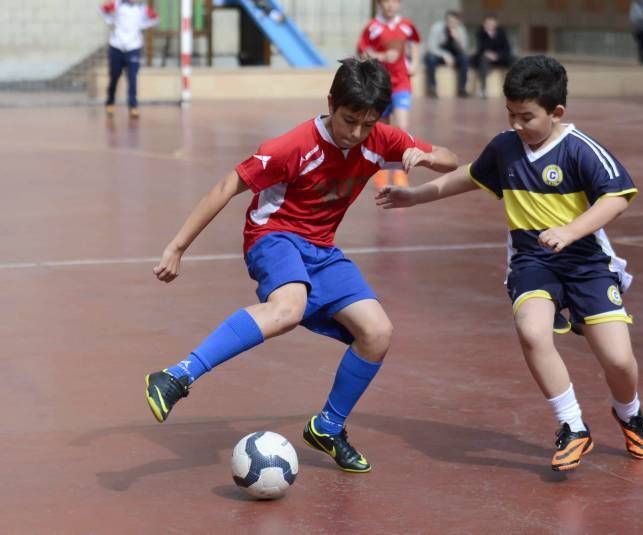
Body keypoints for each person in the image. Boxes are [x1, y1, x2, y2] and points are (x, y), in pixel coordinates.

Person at [145, 58, 458, 473]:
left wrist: (426, 156)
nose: (357, 133)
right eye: (349, 121)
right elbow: (226, 186)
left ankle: (328, 426)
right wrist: (177, 247)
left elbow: (451, 159)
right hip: (273, 236)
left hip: (322, 248)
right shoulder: (292, 146)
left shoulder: (381, 138)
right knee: (288, 308)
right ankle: (177, 376)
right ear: (331, 103)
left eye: (368, 124)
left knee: (378, 331)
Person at [376, 55, 643, 472]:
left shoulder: (581, 150)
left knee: (617, 359)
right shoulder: (505, 147)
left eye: (526, 116)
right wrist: (416, 196)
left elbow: (616, 197)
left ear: (556, 112)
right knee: (532, 330)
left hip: (586, 262)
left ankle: (629, 412)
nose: (516, 125)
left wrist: (571, 230)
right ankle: (573, 426)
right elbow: (470, 175)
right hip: (531, 259)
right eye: (511, 114)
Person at [357, 0, 421, 187]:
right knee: (382, 130)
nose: (390, 5)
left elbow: (415, 42)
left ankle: (401, 170)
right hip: (381, 85)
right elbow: (363, 52)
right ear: (379, 4)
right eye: (386, 1)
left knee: (401, 126)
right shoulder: (372, 27)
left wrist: (415, 62)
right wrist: (383, 56)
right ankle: (382, 170)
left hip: (401, 83)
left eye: (394, 1)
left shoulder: (406, 25)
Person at [99, 0, 159, 118]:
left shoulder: (142, 8)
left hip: (133, 47)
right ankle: (110, 101)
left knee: (132, 77)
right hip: (116, 46)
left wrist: (152, 18)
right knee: (114, 77)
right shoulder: (117, 4)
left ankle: (133, 106)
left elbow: (152, 20)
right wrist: (106, 8)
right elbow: (104, 14)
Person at [423, 10, 470, 98]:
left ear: (458, 22)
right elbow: (431, 46)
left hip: (455, 56)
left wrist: (457, 39)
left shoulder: (461, 30)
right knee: (430, 59)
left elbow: (463, 49)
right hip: (439, 55)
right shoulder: (437, 27)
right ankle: (432, 88)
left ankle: (462, 89)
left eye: (453, 22)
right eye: (449, 21)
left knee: (465, 59)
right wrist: (444, 55)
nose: (451, 23)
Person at [471, 14, 514, 99]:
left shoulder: (502, 32)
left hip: (500, 57)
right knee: (483, 60)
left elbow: (507, 49)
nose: (490, 25)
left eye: (492, 23)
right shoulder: (480, 33)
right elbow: (480, 48)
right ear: (484, 24)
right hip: (486, 57)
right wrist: (487, 53)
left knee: (514, 60)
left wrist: (497, 55)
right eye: (487, 23)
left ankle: (512, 89)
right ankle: (483, 90)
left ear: (496, 23)